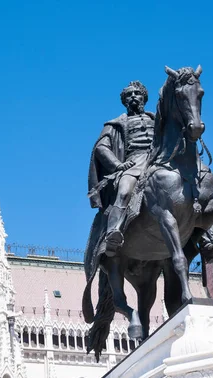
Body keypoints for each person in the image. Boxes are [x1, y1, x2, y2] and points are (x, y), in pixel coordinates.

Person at [88, 81, 155, 256]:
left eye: (137, 93)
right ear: (124, 101)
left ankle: (205, 235)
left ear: (144, 98)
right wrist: (118, 165)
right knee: (124, 191)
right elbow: (101, 148)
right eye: (129, 95)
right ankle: (112, 232)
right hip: (133, 163)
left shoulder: (158, 119)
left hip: (158, 161)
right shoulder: (114, 125)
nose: (133, 96)